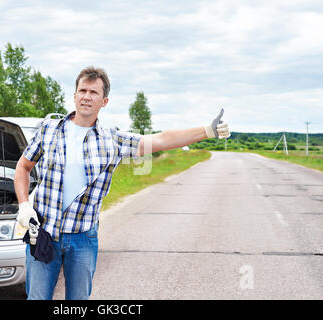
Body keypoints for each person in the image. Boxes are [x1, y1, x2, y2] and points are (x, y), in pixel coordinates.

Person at [14, 66, 230, 300]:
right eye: (82, 90)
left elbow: (161, 139)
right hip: (44, 232)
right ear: (75, 95)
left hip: (83, 239)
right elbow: (23, 167)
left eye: (94, 92)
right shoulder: (49, 130)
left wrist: (207, 131)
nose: (87, 96)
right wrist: (24, 205)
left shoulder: (113, 140)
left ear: (104, 101)